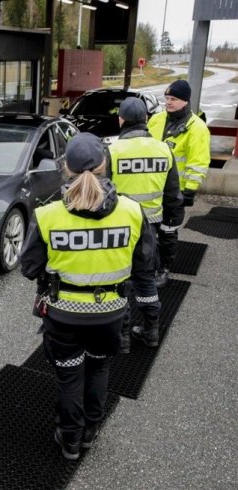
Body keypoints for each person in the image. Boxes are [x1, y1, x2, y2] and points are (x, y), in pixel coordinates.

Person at [20, 133, 160, 460]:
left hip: (63, 315)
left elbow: (29, 267)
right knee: (98, 371)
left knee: (70, 376)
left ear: (65, 168)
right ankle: (90, 432)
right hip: (111, 313)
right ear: (104, 166)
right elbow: (145, 265)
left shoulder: (48, 214)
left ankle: (70, 440)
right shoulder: (132, 212)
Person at [107, 97, 184, 349]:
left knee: (121, 282)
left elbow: (104, 194)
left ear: (121, 120)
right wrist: (171, 223)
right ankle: (151, 330)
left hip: (120, 228)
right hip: (150, 227)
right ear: (146, 120)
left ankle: (124, 335)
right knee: (146, 279)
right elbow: (173, 193)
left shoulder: (113, 151)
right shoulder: (163, 149)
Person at [147, 79, 211, 286]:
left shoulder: (197, 128)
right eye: (166, 98)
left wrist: (189, 191)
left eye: (173, 99)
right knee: (147, 230)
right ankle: (146, 265)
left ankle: (163, 269)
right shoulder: (156, 120)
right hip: (151, 188)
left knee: (167, 231)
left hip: (175, 192)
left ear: (185, 100)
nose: (168, 102)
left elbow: (198, 163)